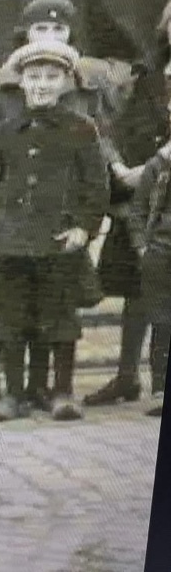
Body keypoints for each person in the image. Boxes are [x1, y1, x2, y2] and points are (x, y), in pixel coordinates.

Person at [0, 0, 136, 411]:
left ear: (63, 82)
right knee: (9, 313)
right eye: (34, 76)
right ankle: (8, 393)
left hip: (58, 231)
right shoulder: (3, 128)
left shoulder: (81, 126)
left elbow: (94, 179)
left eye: (50, 77)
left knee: (58, 313)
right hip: (11, 233)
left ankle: (56, 391)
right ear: (22, 77)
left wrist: (84, 226)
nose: (42, 84)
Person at [85, 0, 171, 408]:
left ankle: (160, 383)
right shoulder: (149, 76)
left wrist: (153, 167)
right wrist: (119, 164)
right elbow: (120, 126)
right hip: (141, 196)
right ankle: (125, 377)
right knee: (137, 286)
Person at [125, 72, 171, 419]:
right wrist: (143, 245)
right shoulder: (160, 165)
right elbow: (138, 209)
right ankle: (160, 388)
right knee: (162, 321)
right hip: (161, 252)